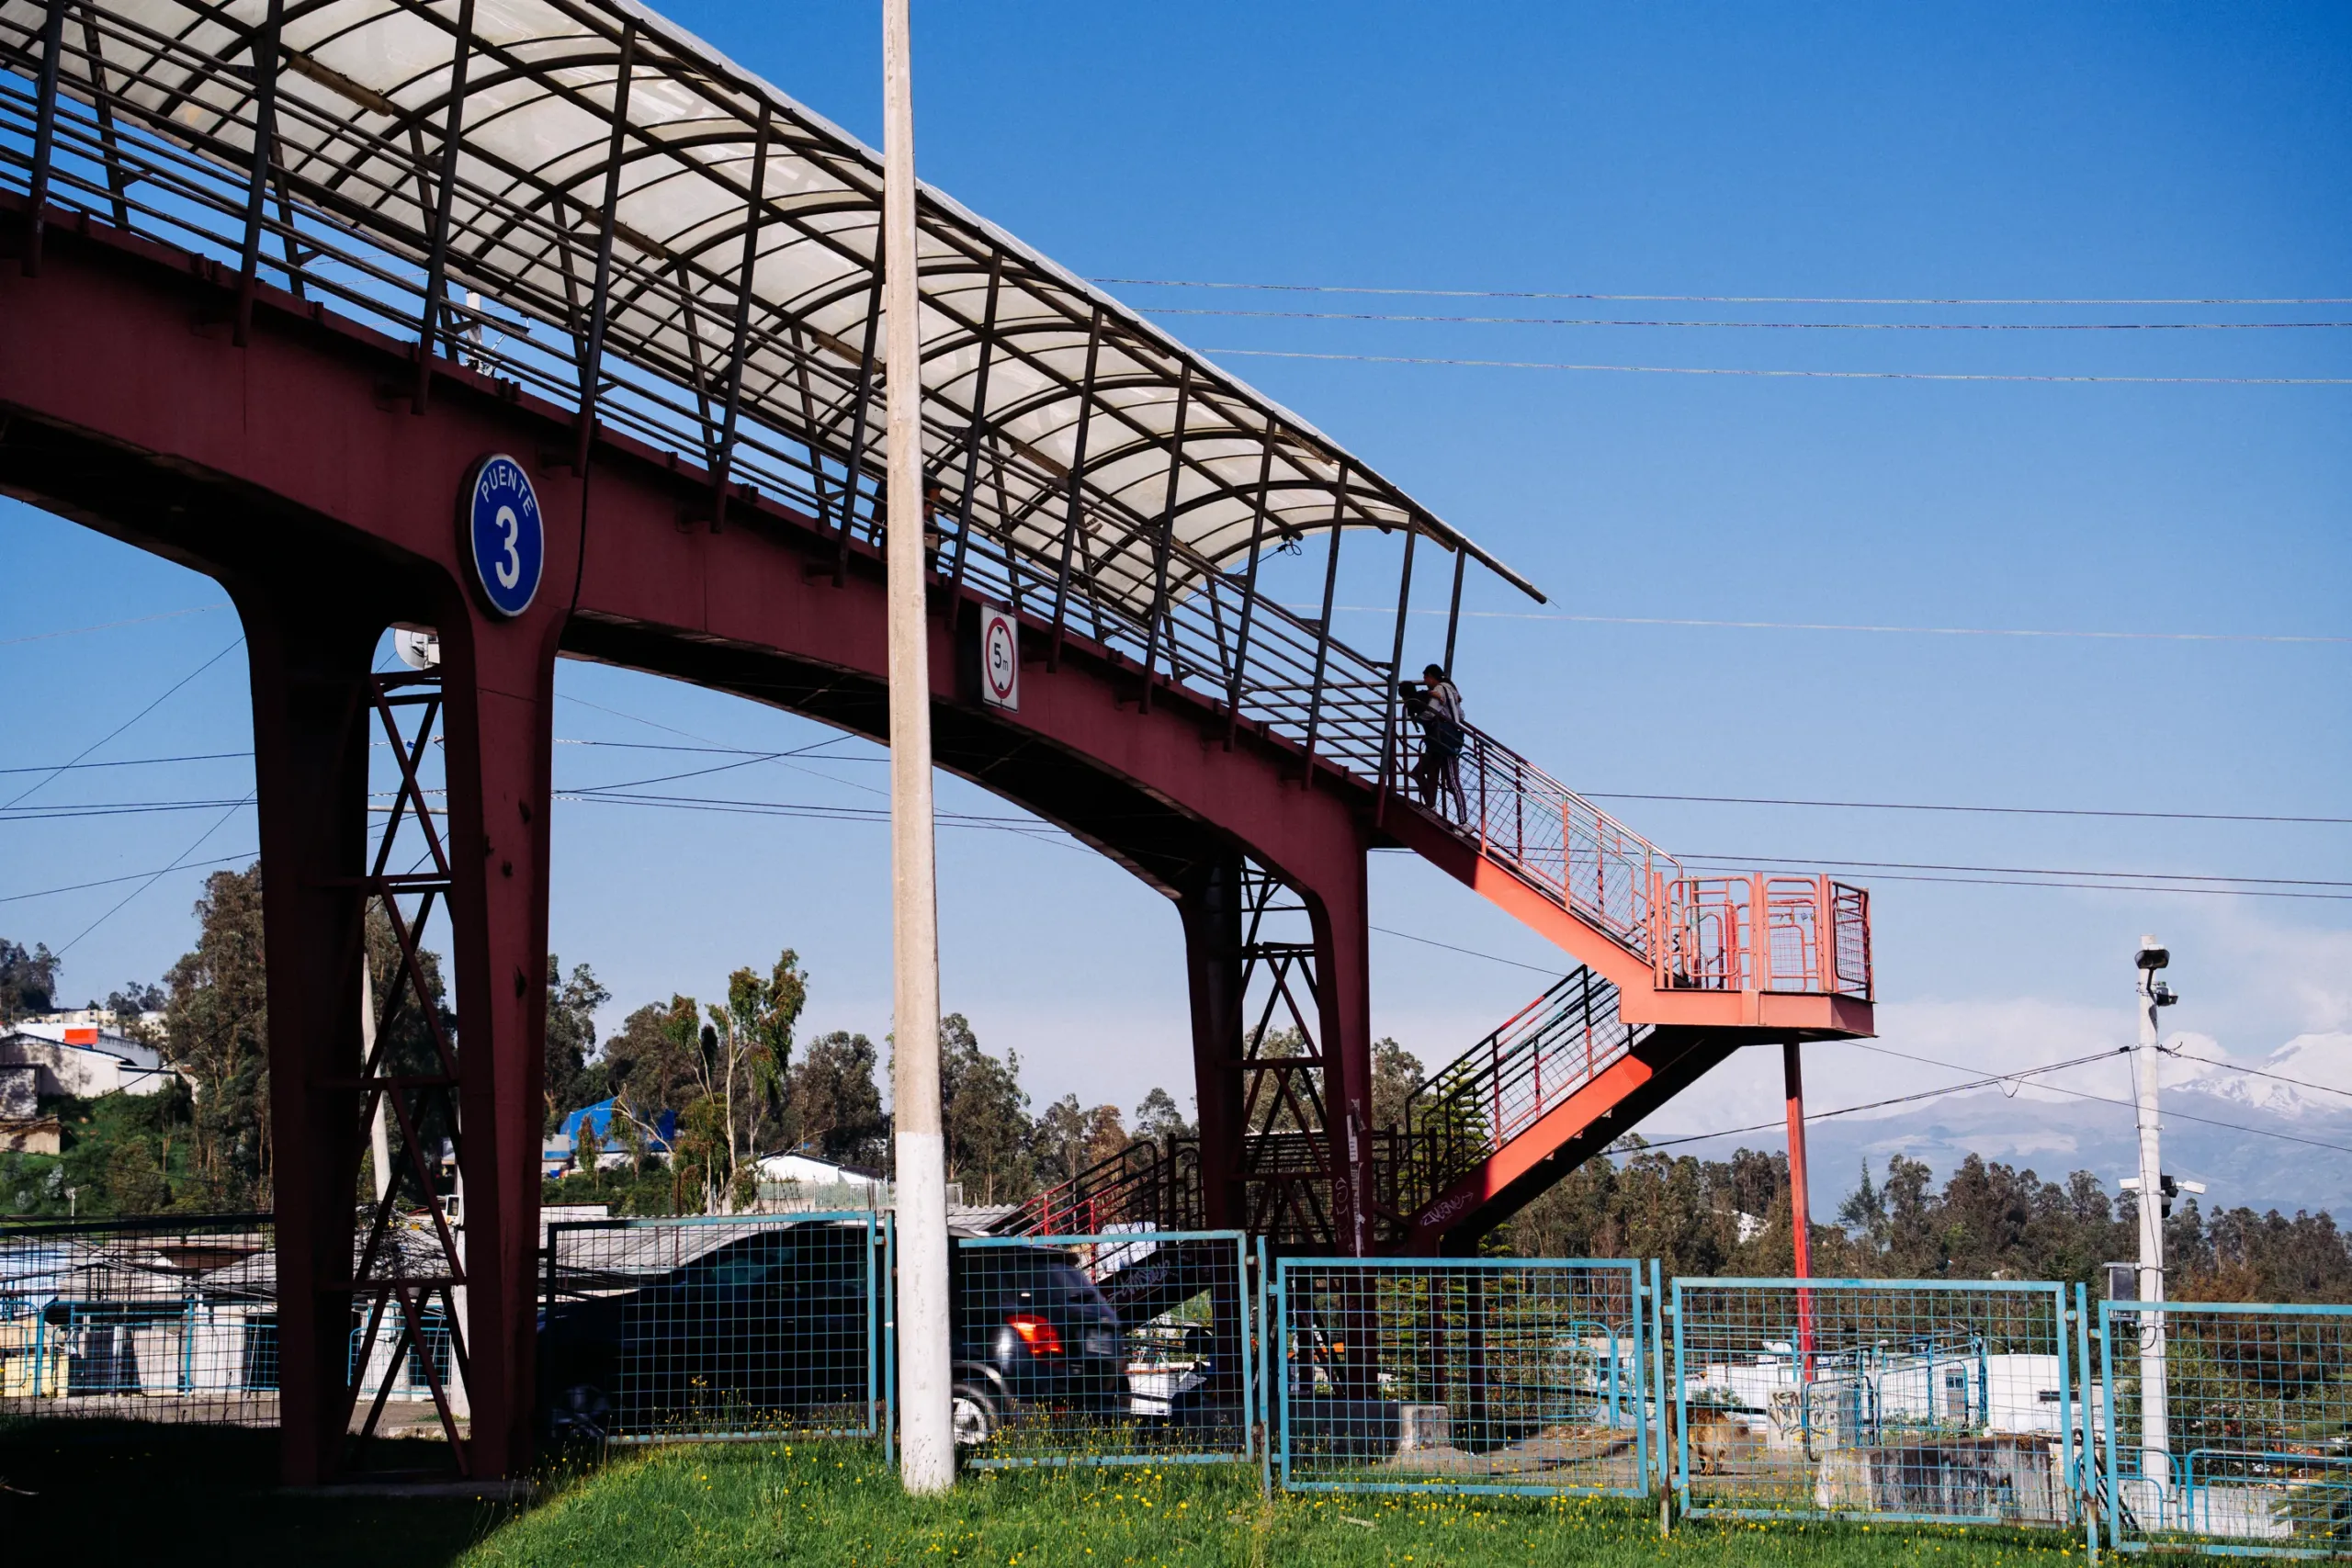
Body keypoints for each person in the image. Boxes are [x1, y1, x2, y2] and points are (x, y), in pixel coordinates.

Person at [1408, 662, 1468, 818]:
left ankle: (1462, 820)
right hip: (1447, 739)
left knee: (1451, 782)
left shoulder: (1439, 689)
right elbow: (1461, 716)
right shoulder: (1453, 691)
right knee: (1435, 776)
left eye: (1425, 677)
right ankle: (1432, 807)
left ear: (1431, 676)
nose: (1424, 681)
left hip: (1443, 740)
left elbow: (1431, 712)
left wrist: (1417, 718)